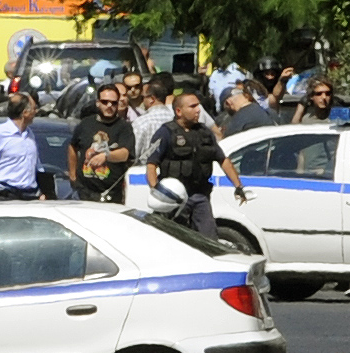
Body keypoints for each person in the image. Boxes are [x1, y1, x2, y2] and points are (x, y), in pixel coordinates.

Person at [146, 92, 247, 239]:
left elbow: (223, 160)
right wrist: (158, 192)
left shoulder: (205, 133)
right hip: (175, 199)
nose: (198, 110)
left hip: (200, 195)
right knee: (175, 239)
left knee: (209, 238)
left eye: (198, 106)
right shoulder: (166, 132)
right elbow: (151, 165)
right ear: (179, 111)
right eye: (192, 106)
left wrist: (238, 186)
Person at [67, 83, 134, 203]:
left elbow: (124, 154)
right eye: (105, 102)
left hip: (111, 193)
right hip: (83, 192)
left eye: (113, 103)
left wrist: (106, 156)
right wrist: (72, 174)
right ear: (98, 103)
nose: (109, 106)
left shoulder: (124, 127)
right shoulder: (85, 124)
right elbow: (72, 147)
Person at [131, 78, 173, 162]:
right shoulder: (174, 118)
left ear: (151, 99)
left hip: (145, 171)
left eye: (142, 97)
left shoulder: (141, 122)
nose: (142, 101)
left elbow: (133, 153)